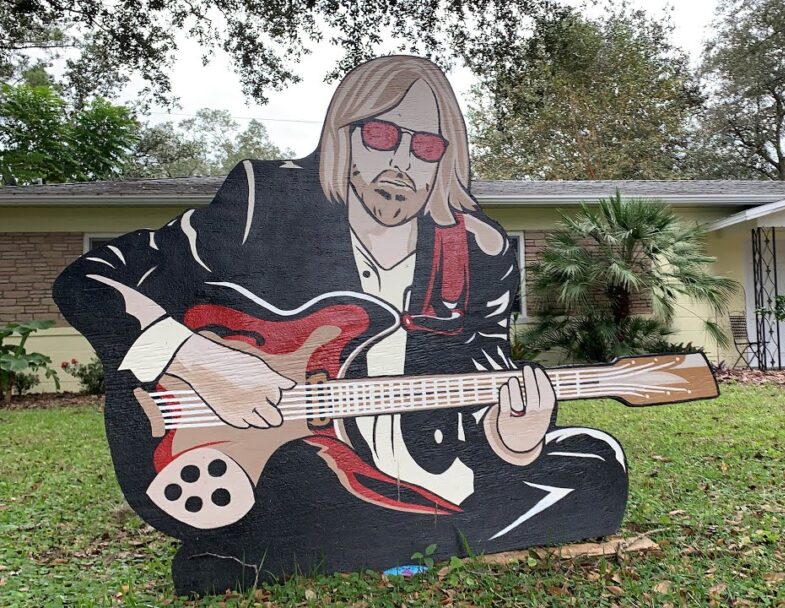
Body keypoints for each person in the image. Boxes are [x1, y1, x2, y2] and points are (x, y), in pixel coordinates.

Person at [54, 55, 628, 594]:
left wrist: (513, 441)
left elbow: (484, 377)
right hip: (281, 462)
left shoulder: (479, 249)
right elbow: (88, 280)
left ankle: (281, 546)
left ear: (445, 160)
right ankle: (335, 535)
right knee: (303, 488)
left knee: (596, 466)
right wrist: (204, 362)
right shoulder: (266, 199)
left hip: (423, 459)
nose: (402, 162)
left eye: (426, 146)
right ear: (344, 138)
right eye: (381, 136)